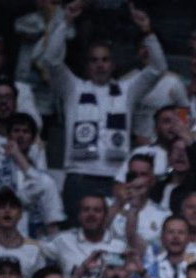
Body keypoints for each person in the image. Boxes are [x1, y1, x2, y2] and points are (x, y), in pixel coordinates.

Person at [42, 2, 167, 216]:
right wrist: (66, 22)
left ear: (112, 64)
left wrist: (147, 30)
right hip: (78, 177)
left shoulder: (128, 90)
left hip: (114, 178)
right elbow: (52, 60)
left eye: (105, 60)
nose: (100, 65)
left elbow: (158, 68)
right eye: (94, 60)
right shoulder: (73, 88)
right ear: (87, 65)